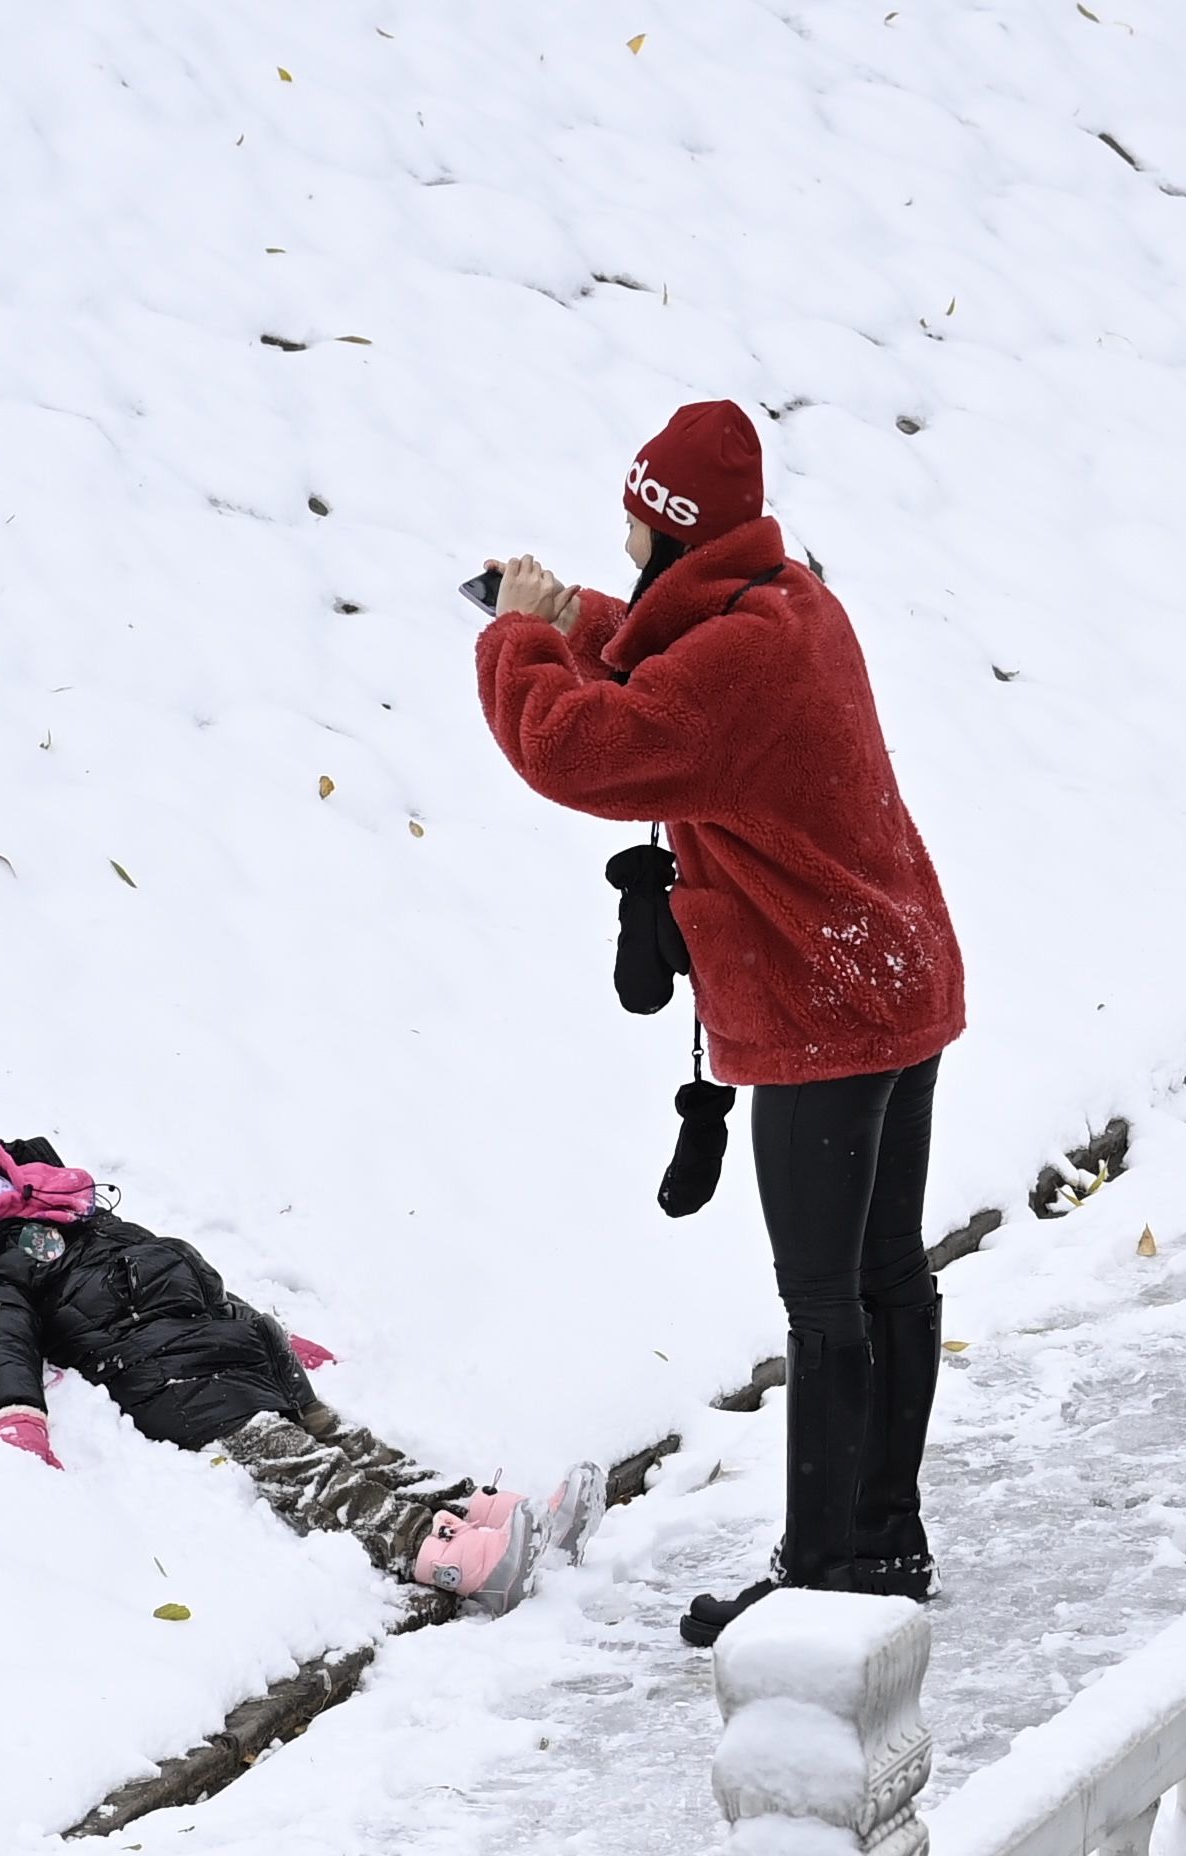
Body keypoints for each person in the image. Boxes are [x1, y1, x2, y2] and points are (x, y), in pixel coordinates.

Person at [474, 399, 966, 1649]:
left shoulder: (740, 667)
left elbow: (585, 749)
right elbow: (668, 659)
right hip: (895, 975)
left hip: (826, 1007)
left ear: (668, 531)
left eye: (634, 530)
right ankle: (883, 1538)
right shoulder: (786, 601)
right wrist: (580, 616)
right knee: (887, 1271)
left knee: (826, 1297)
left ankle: (823, 1574)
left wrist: (523, 644)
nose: (625, 547)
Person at [0, 1112, 598, 1613]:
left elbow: (176, 1271)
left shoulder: (62, 1206)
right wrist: (16, 1412)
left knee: (341, 1437)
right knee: (303, 1467)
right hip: (169, 1383)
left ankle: (480, 1509)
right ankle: (441, 1552)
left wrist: (280, 1340)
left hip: (233, 1344)